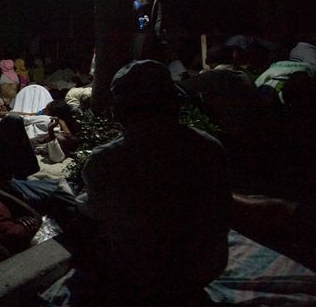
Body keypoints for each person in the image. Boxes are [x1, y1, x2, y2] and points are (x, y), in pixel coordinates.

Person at [77, 60, 231, 305]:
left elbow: (96, 212)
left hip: (140, 276)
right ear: (174, 103)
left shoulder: (107, 158)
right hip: (204, 270)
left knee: (67, 205)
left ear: (120, 110)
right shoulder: (210, 147)